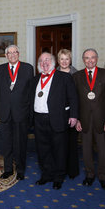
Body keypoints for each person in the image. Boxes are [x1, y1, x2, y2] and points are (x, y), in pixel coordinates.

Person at [30, 52, 78, 189]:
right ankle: (46, 174)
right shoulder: (35, 79)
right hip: (39, 119)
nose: (44, 63)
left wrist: (73, 116)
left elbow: (73, 98)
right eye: (41, 61)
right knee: (43, 148)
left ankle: (58, 177)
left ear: (53, 62)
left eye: (47, 60)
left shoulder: (64, 77)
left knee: (59, 149)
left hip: (57, 118)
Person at [73, 48, 105, 190]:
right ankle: (89, 175)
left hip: (102, 119)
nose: (89, 60)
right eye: (86, 58)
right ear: (83, 60)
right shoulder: (77, 76)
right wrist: (77, 119)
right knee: (86, 149)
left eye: (92, 57)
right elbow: (75, 100)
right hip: (84, 118)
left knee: (103, 149)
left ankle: (103, 176)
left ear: (96, 58)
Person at [0, 44, 34, 180]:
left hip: (21, 113)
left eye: (15, 52)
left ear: (18, 54)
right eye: (9, 53)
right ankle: (8, 169)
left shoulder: (28, 68)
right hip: (5, 113)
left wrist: (31, 114)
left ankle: (20, 169)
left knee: (20, 143)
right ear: (6, 56)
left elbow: (31, 93)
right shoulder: (1, 69)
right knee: (6, 143)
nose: (12, 55)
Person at [56, 48, 79, 179]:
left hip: (71, 113)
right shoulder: (54, 73)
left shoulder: (76, 74)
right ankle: (60, 169)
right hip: (58, 114)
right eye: (62, 59)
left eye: (67, 59)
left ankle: (72, 171)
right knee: (59, 143)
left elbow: (77, 97)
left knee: (71, 143)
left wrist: (76, 116)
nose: (64, 62)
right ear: (58, 60)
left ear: (70, 60)